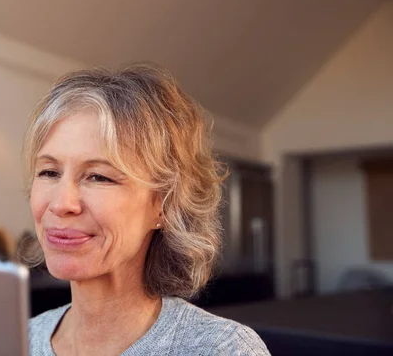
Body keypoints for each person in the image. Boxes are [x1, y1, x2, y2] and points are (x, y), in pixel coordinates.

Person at [21, 64, 270, 355]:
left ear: (163, 205)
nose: (62, 203)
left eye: (99, 176)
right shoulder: (17, 341)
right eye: (49, 172)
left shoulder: (222, 349)